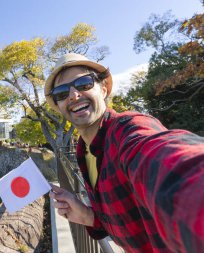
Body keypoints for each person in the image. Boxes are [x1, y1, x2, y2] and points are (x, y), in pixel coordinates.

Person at [44, 53, 204, 253]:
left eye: (84, 84)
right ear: (59, 106)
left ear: (103, 90)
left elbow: (169, 160)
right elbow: (123, 217)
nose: (74, 95)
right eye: (61, 92)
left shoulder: (128, 129)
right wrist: (88, 216)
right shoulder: (83, 152)